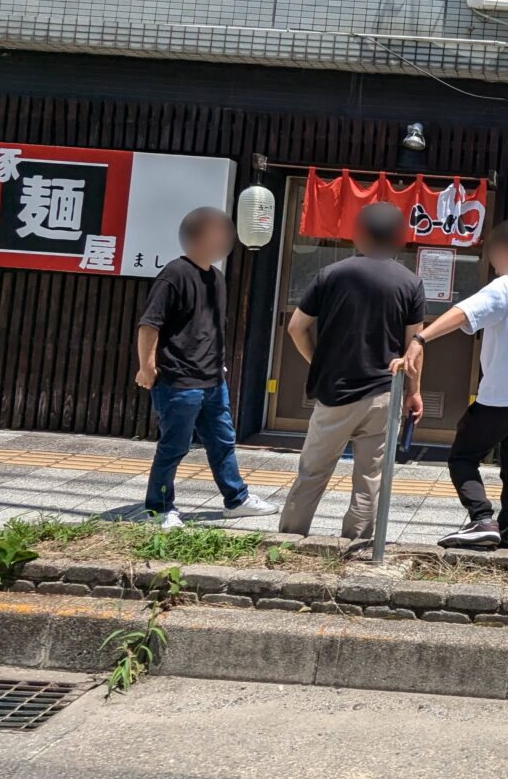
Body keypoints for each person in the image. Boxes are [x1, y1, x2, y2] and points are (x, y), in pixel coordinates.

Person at [397, 219, 508, 550]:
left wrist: (420, 338)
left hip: (503, 396)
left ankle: (481, 518)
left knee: (462, 456)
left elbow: (463, 313)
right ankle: (507, 540)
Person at [278, 203, 426, 539]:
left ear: (360, 234)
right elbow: (414, 348)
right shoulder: (410, 283)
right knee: (369, 478)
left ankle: (287, 542)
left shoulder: (331, 274)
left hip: (335, 393)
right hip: (383, 395)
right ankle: (355, 547)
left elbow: (296, 327)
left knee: (312, 473)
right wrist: (413, 392)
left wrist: (318, 361)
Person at [135, 207, 277, 529]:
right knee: (173, 447)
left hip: (213, 379)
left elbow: (210, 328)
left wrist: (220, 368)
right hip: (178, 380)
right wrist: (147, 368)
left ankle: (236, 499)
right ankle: (158, 509)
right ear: (195, 237)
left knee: (222, 442)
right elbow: (149, 326)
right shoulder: (174, 274)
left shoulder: (217, 278)